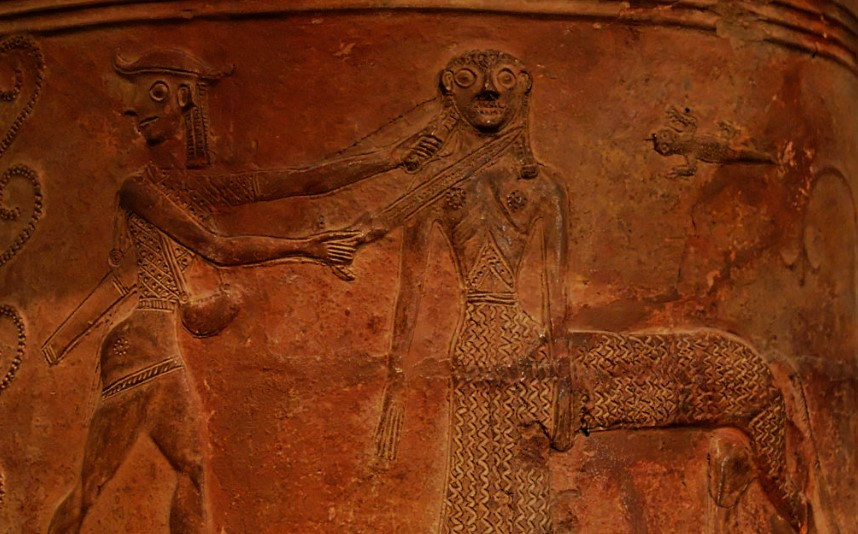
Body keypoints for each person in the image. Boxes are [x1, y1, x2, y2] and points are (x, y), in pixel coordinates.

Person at [46, 49, 404, 533]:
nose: (133, 108)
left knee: (192, 469)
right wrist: (307, 247)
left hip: (162, 347)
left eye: (154, 93)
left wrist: (390, 159)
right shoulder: (138, 190)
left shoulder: (197, 190)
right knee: (91, 486)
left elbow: (304, 180)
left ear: (185, 99)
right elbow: (218, 248)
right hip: (138, 349)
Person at [366, 49, 573, 533]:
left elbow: (556, 296)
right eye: (471, 80)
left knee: (523, 474)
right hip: (476, 347)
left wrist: (563, 382)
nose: (489, 90)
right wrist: (395, 383)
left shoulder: (544, 186)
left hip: (519, 347)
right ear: (449, 88)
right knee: (473, 474)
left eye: (503, 80)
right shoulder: (438, 185)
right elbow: (411, 291)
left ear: (522, 88)